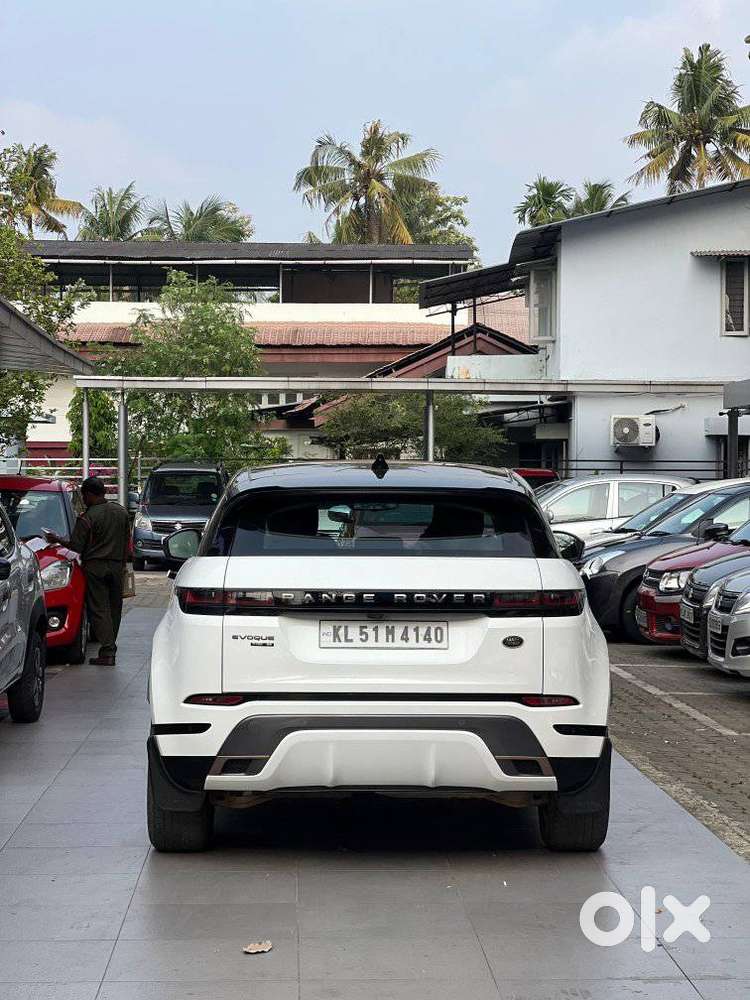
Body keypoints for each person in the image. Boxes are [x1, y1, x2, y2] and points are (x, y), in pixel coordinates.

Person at [45, 477, 131, 666]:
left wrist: (56, 539)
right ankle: (110, 647)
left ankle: (107, 650)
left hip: (95, 567)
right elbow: (127, 543)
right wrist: (123, 565)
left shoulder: (87, 518)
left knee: (99, 608)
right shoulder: (121, 512)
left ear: (90, 494)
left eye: (84, 496)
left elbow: (76, 546)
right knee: (115, 608)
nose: (83, 499)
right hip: (117, 566)